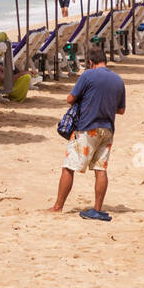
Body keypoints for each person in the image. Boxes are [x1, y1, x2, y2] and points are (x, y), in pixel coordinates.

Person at [50, 47, 125, 221]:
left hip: (87, 128)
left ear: (90, 62)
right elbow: (121, 110)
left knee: (69, 166)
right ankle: (97, 209)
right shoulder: (118, 80)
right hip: (107, 129)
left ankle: (58, 206)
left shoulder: (87, 75)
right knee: (100, 169)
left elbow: (70, 99)